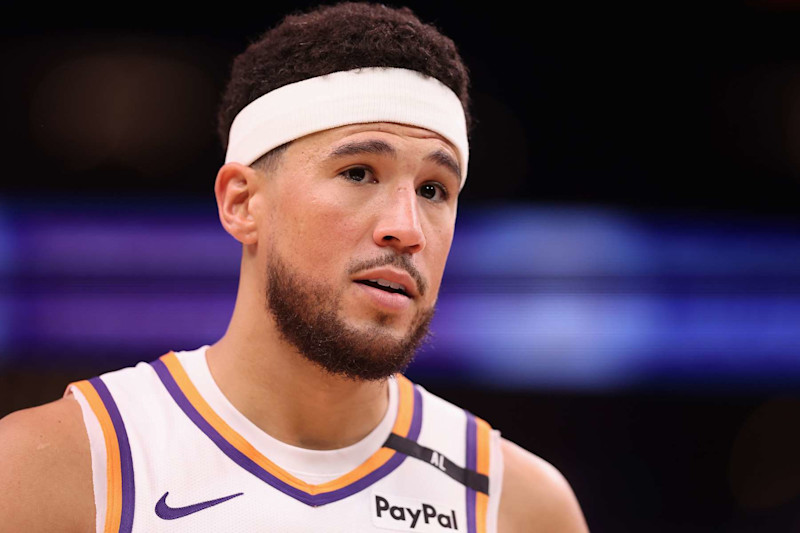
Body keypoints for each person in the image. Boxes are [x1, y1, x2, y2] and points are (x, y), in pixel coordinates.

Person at [0, 3, 588, 532]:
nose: (407, 228)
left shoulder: (518, 507)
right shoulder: (48, 473)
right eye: (359, 172)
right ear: (241, 203)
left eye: (435, 189)